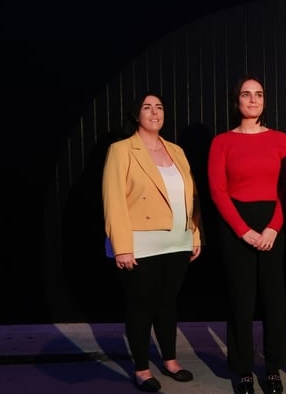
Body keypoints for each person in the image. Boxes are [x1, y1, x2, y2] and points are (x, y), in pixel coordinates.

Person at [102, 92, 202, 392]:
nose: (154, 112)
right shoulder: (121, 150)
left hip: (178, 240)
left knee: (168, 304)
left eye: (159, 107)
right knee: (141, 306)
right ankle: (142, 368)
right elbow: (113, 200)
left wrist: (195, 234)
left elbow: (192, 196)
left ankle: (170, 361)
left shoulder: (176, 150)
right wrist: (121, 246)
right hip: (140, 242)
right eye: (147, 107)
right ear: (137, 115)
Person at [207, 75, 286, 394]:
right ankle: (243, 368)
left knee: (274, 300)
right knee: (240, 301)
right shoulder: (222, 142)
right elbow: (218, 191)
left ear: (264, 101)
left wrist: (273, 227)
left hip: (273, 222)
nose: (253, 99)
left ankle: (273, 368)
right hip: (236, 225)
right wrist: (243, 231)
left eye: (258, 94)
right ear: (237, 101)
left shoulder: (281, 139)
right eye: (246, 94)